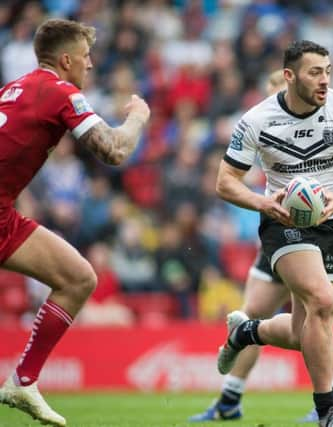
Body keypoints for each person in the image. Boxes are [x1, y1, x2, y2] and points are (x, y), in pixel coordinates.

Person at [215, 40, 333, 427]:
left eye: (327, 71)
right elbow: (225, 182)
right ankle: (330, 414)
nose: (324, 80)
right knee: (322, 302)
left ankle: (247, 331)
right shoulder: (257, 120)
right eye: (314, 72)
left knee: (303, 330)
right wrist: (263, 203)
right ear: (289, 76)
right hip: (283, 223)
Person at [0, 19, 150, 427]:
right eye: (85, 58)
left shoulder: (13, 89)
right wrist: (138, 116)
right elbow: (114, 151)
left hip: (3, 216)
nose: (90, 65)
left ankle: (23, 380)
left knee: (78, 277)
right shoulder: (60, 91)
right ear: (66, 60)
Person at [190, 70, 333, 423]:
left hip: (322, 232)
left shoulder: (330, 123)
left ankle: (323, 399)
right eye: (271, 92)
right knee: (295, 309)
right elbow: (236, 178)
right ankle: (239, 397)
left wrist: (328, 195)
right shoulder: (266, 123)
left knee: (307, 326)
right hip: (284, 233)